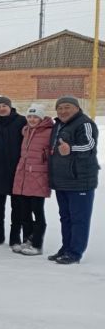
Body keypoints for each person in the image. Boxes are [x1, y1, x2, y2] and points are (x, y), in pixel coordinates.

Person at [47, 96, 99, 264]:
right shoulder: (59, 125)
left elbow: (89, 145)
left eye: (67, 107)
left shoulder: (84, 123)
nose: (63, 111)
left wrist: (71, 148)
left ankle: (75, 252)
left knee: (79, 219)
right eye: (59, 108)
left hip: (80, 180)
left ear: (76, 108)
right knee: (66, 217)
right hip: (62, 180)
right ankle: (66, 248)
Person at [0, 96, 27, 248]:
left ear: (10, 106)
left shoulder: (22, 121)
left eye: (4, 105)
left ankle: (15, 236)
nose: (2, 108)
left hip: (18, 170)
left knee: (18, 206)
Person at [11, 104, 53, 256]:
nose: (32, 119)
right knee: (24, 213)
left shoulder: (49, 132)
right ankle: (27, 240)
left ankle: (37, 245)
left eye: (35, 117)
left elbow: (51, 154)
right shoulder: (26, 131)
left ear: (41, 118)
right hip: (23, 177)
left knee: (38, 213)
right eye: (29, 116)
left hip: (39, 178)